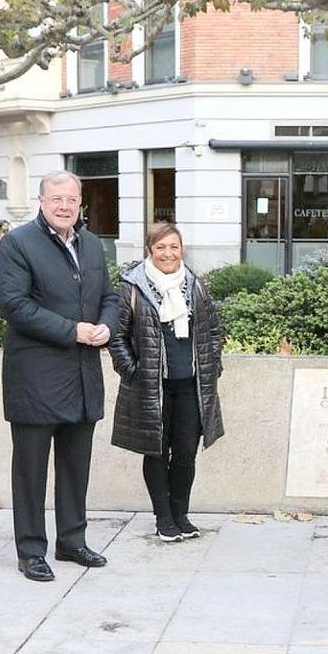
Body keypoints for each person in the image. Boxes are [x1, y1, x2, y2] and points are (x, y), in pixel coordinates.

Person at [0, 171, 120, 581]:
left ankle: (72, 540)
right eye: (56, 199)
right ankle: (31, 550)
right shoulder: (17, 243)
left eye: (71, 200)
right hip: (35, 378)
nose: (64, 207)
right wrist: (73, 330)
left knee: (74, 466)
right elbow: (14, 305)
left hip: (82, 376)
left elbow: (110, 296)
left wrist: (105, 325)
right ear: (42, 201)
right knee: (30, 470)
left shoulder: (92, 245)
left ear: (80, 203)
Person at [109, 223, 225, 541]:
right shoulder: (132, 286)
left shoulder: (195, 284)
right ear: (150, 250)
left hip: (190, 385)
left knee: (186, 452)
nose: (168, 253)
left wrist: (212, 365)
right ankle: (164, 519)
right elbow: (117, 336)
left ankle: (181, 515)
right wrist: (132, 370)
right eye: (161, 247)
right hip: (151, 387)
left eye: (173, 246)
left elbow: (214, 330)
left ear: (181, 249)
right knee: (157, 452)